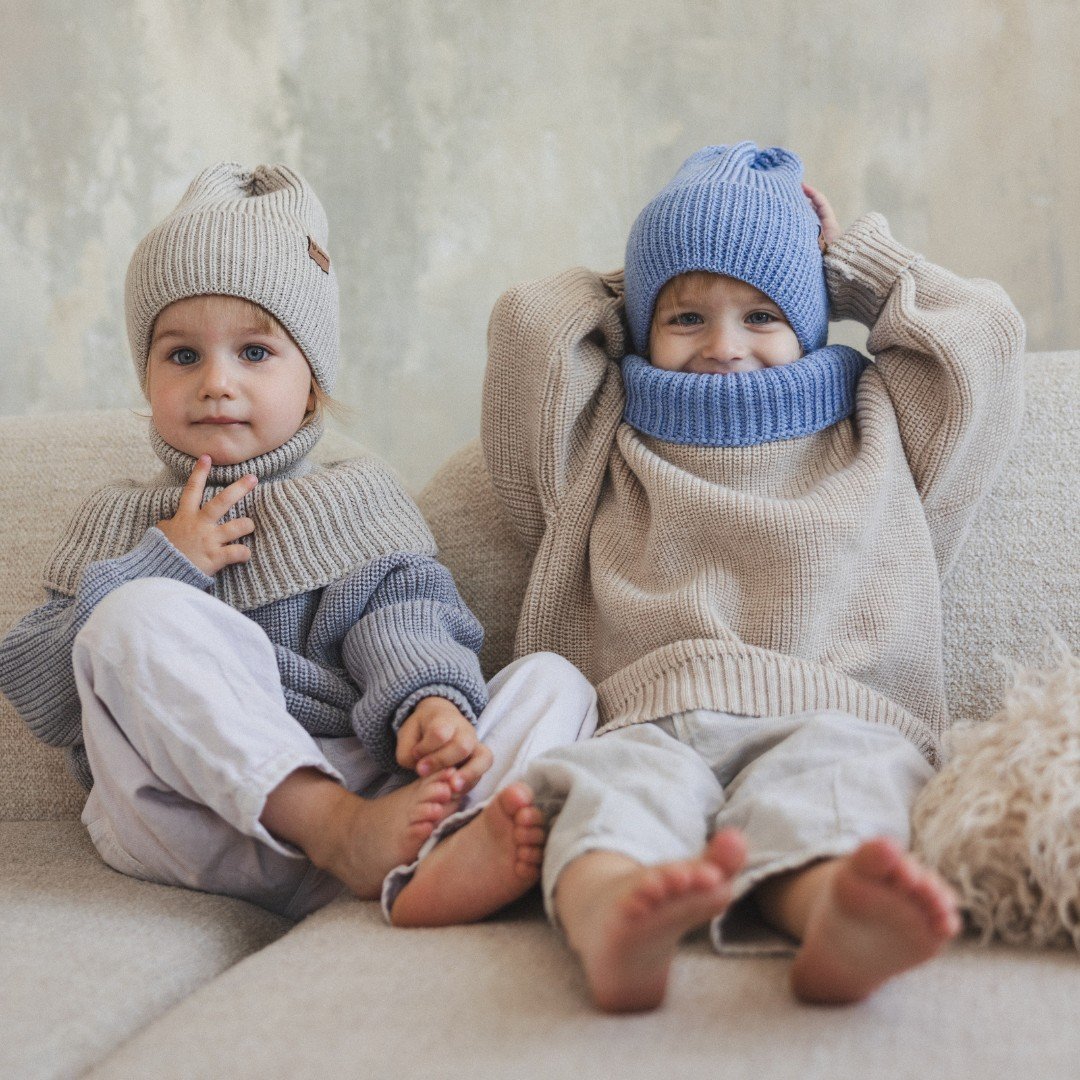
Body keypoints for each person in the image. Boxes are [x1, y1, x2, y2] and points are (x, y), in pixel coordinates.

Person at [387, 143, 1027, 1009]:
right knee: (605, 795)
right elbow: (528, 330)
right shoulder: (602, 436)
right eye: (686, 318)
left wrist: (848, 267)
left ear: (810, 319)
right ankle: (613, 911)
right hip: (648, 718)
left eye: (762, 314)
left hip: (834, 710)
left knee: (844, 789)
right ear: (641, 325)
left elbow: (985, 334)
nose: (724, 347)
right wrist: (654, 264)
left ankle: (835, 910)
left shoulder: (880, 423)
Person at [0, 163, 595, 920]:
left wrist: (427, 707)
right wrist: (165, 563)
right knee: (130, 616)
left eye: (254, 353)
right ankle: (342, 833)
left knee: (555, 680)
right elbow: (48, 696)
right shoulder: (120, 520)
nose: (217, 382)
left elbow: (401, 617)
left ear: (310, 380)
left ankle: (437, 859)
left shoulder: (354, 497)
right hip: (198, 817)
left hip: (370, 785)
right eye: (183, 355)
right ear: (146, 376)